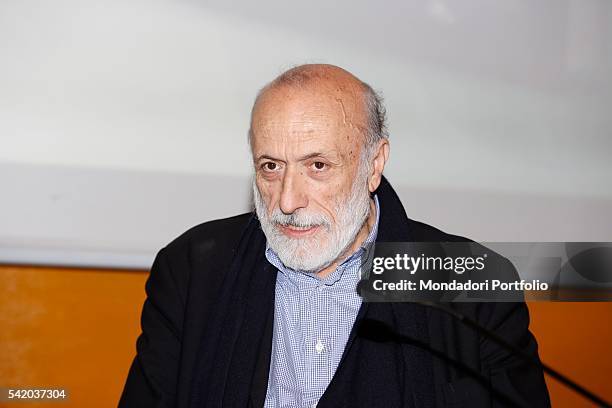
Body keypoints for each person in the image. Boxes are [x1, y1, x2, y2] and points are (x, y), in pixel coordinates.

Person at [119, 64, 550, 407]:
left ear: (374, 163)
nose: (286, 200)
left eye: (317, 166)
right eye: (270, 166)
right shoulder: (194, 271)